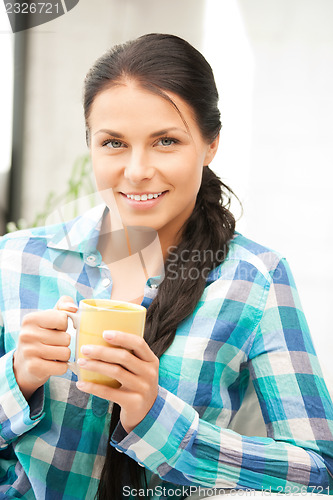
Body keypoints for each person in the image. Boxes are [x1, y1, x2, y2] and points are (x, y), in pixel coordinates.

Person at [0, 33, 332, 500]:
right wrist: (16, 377)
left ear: (210, 144)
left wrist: (157, 419)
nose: (136, 170)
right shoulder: (15, 260)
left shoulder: (255, 278)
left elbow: (319, 471)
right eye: (113, 142)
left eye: (166, 141)